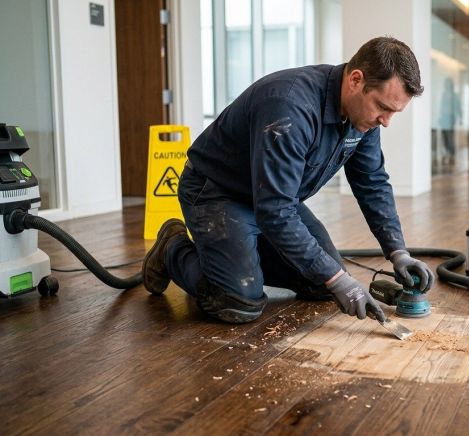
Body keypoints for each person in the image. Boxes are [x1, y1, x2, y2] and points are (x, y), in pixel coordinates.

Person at [141, 37, 435, 324]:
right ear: (356, 80)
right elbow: (275, 210)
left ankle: (239, 255)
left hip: (271, 197)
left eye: (394, 112)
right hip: (218, 192)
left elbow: (371, 181)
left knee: (323, 284)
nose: (386, 121)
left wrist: (397, 252)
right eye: (383, 107)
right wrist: (336, 277)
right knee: (238, 302)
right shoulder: (289, 107)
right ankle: (173, 249)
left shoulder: (363, 118)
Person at [438, 77, 461, 165]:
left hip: (451, 118)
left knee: (450, 137)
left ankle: (451, 154)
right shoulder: (444, 95)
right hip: (444, 118)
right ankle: (446, 153)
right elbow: (441, 106)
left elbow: (458, 107)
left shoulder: (455, 96)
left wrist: (460, 118)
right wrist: (440, 117)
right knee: (444, 137)